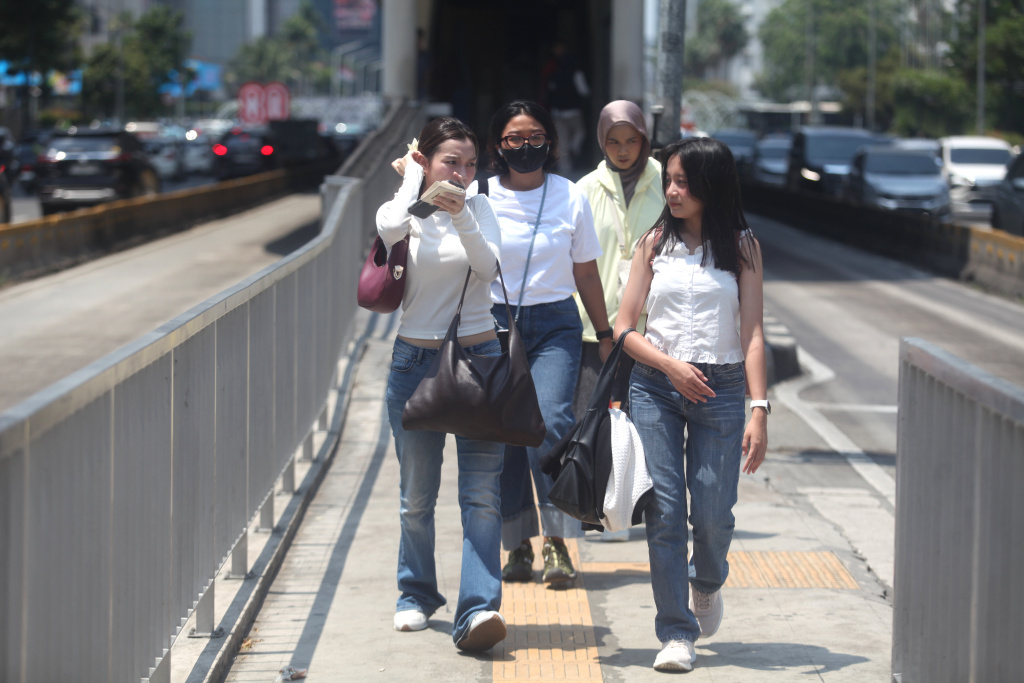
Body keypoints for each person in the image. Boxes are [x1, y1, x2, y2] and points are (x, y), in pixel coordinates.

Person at [612, 137, 769, 673]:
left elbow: (752, 336)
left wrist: (759, 408)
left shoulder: (743, 246)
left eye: (683, 182)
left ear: (711, 186)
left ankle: (707, 581)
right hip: (656, 386)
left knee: (712, 513)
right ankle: (676, 631)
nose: (672, 191)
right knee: (665, 510)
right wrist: (669, 366)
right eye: (669, 181)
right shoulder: (654, 242)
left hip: (722, 389)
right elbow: (623, 328)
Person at [377, 116, 507, 652]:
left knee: (481, 496)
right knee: (416, 497)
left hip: (480, 358)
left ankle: (477, 609)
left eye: (471, 163)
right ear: (426, 160)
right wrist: (413, 181)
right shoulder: (407, 210)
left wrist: (460, 217)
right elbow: (387, 229)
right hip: (415, 362)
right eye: (451, 160)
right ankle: (415, 594)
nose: (463, 172)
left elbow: (489, 267)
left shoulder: (478, 208)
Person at [485, 99, 613, 585]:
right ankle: (517, 545)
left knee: (554, 418)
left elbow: (585, 270)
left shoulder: (569, 195)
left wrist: (603, 334)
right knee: (507, 433)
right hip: (495, 324)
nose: (525, 147)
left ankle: (559, 541)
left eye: (535, 137)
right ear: (499, 145)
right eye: (514, 139)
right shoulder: (481, 196)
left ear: (551, 143)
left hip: (556, 322)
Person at [574, 100, 665, 419]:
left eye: (631, 140)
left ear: (644, 139)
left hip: (654, 328)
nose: (623, 150)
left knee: (647, 426)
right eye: (613, 141)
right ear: (601, 140)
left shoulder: (667, 184)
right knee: (589, 425)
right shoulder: (583, 190)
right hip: (594, 328)